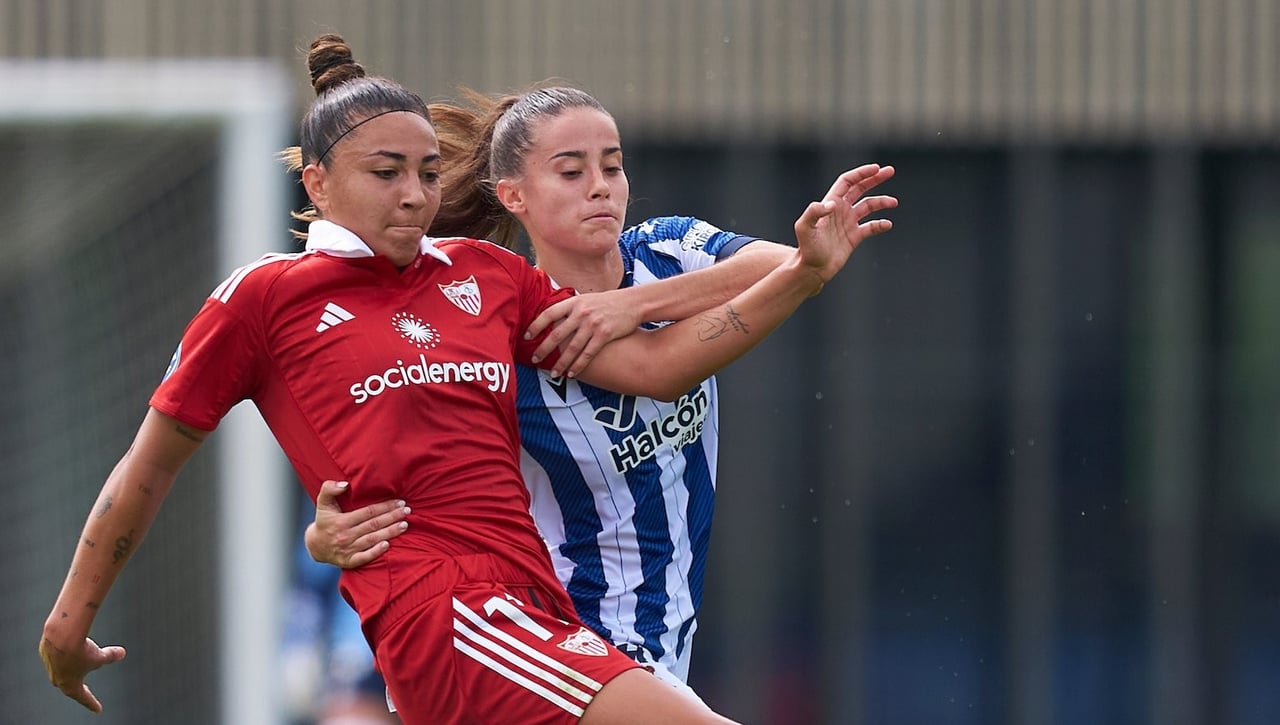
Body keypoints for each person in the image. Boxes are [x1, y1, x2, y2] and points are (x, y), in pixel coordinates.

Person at [38, 34, 890, 725]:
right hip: (455, 619)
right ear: (317, 183)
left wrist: (737, 287)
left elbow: (654, 368)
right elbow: (150, 464)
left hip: (540, 617)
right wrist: (70, 625)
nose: (412, 194)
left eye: (426, 173)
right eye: (384, 174)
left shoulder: (485, 275)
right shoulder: (265, 297)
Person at [302, 84, 898, 707]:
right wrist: (326, 537)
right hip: (567, 639)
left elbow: (784, 261)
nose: (600, 186)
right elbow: (417, 453)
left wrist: (630, 304)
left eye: (612, 165)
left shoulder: (668, 249)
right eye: (571, 170)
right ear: (514, 197)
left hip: (661, 643)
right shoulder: (505, 329)